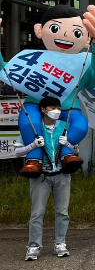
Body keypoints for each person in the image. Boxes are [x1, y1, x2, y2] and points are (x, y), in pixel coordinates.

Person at [0, 6, 95, 176]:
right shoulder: (33, 58)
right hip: (35, 104)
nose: (65, 35)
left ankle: (65, 154)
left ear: (88, 39)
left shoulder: (84, 63)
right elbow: (5, 69)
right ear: (39, 30)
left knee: (80, 126)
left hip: (68, 107)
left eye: (77, 33)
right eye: (55, 28)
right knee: (30, 123)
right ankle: (34, 159)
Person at [15, 97, 80, 261]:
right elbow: (18, 152)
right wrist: (33, 146)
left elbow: (76, 150)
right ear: (43, 109)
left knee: (62, 212)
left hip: (62, 175)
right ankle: (33, 246)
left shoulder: (66, 126)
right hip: (40, 176)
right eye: (53, 107)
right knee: (37, 213)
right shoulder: (32, 127)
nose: (57, 110)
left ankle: (60, 243)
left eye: (58, 107)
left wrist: (69, 145)